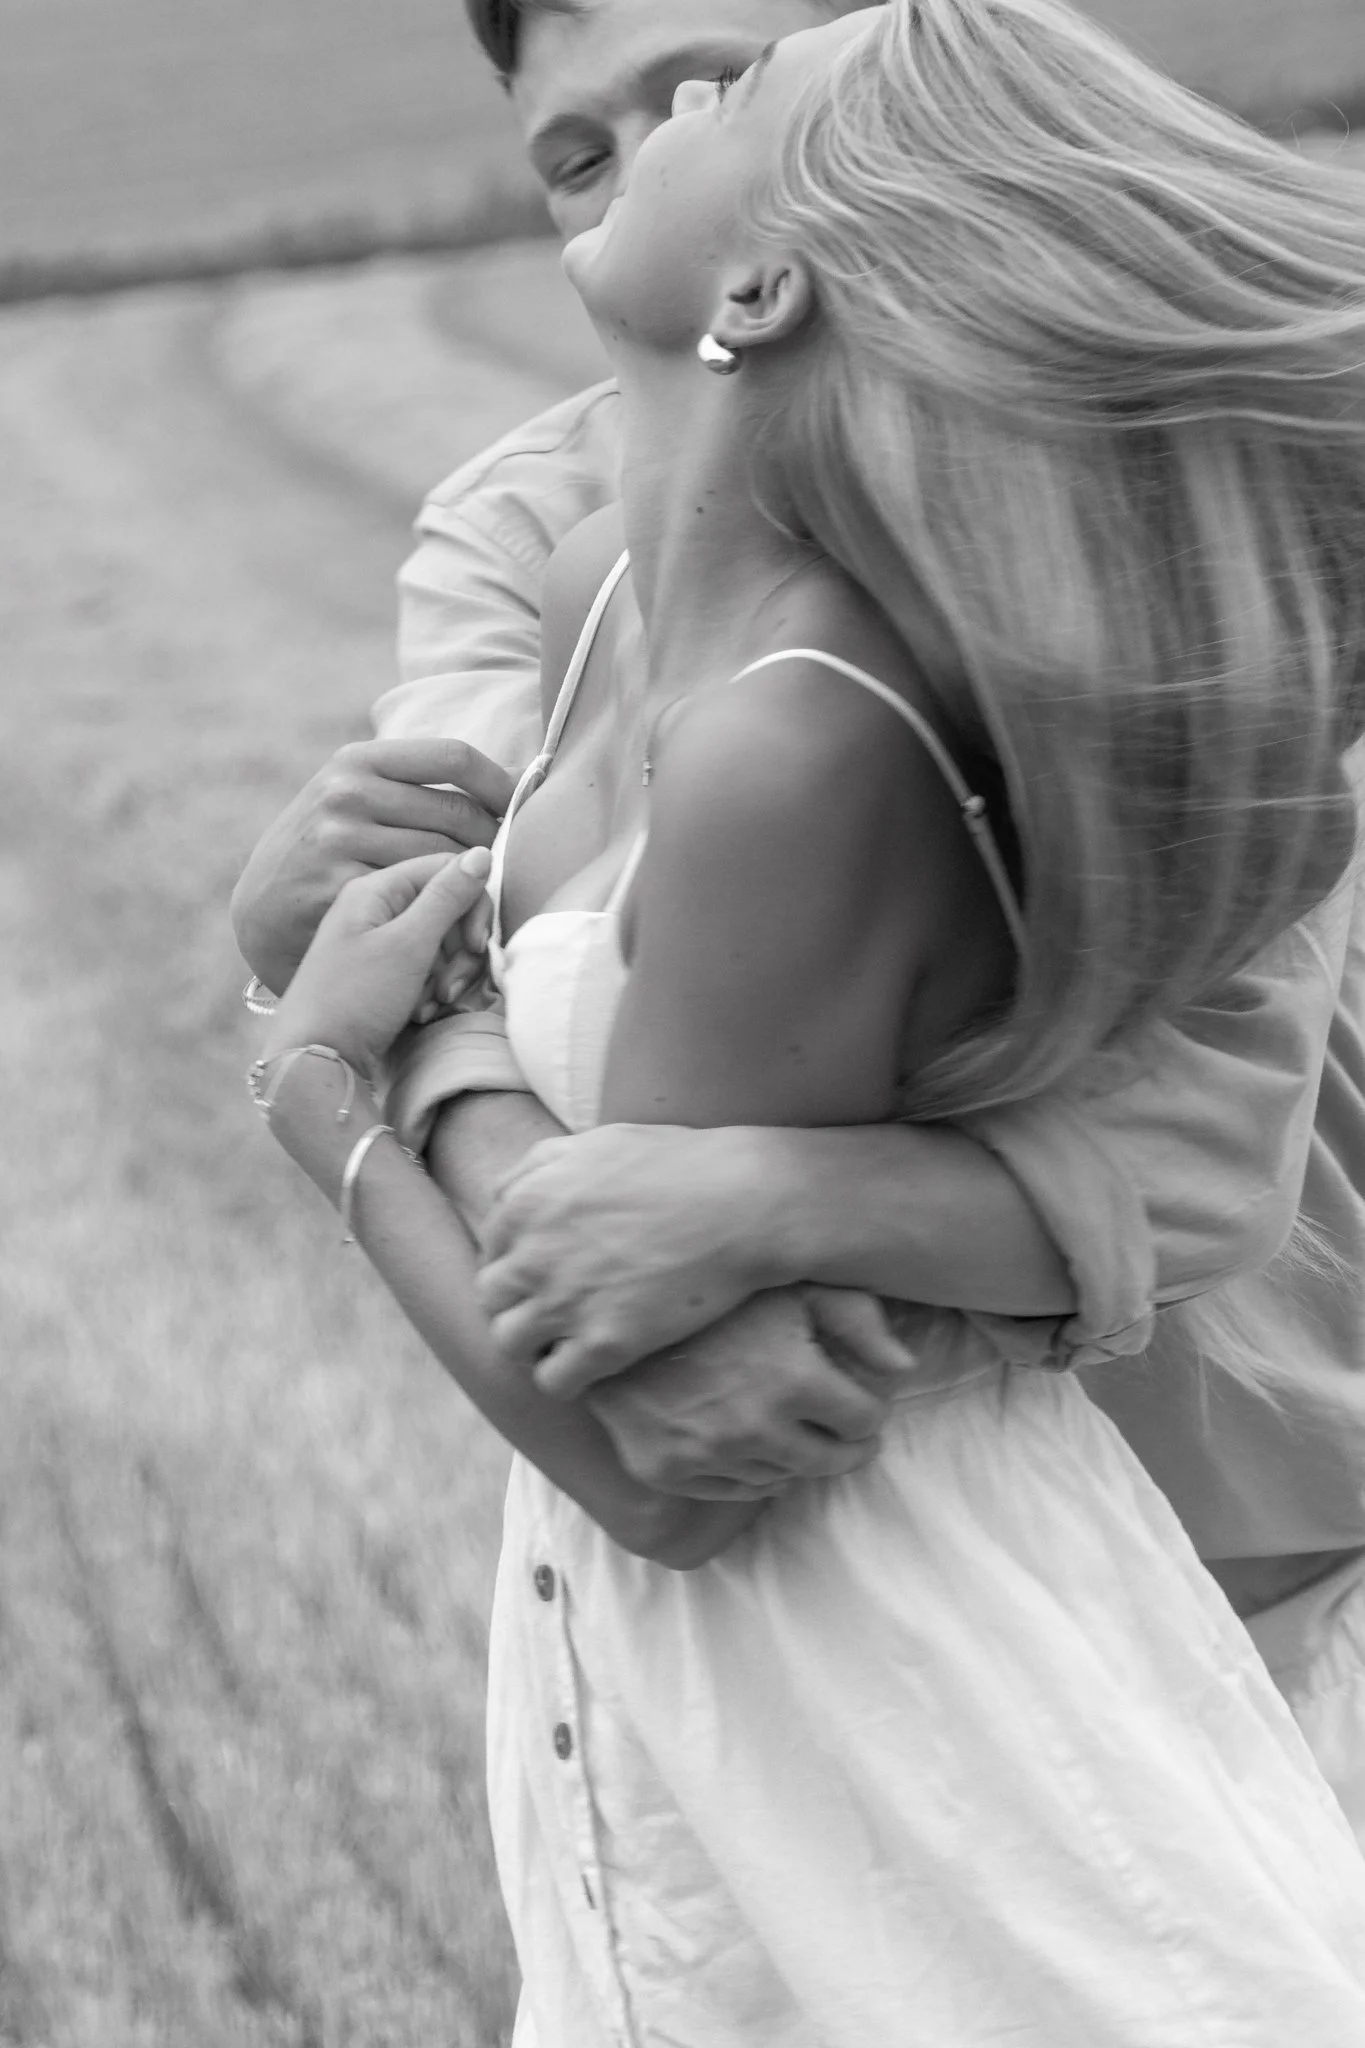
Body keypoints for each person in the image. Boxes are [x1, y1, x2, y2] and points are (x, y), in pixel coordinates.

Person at [248, 2, 1365, 2036]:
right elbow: (439, 940)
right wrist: (343, 958)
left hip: (1187, 1532)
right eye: (571, 147)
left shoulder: (939, 640)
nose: (647, 137)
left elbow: (1197, 1155)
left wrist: (350, 1085)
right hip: (715, 1644)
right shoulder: (547, 547)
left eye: (717, 76)